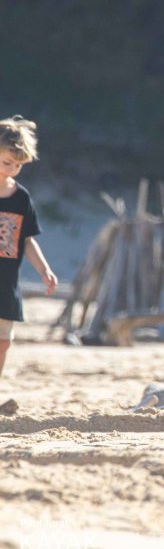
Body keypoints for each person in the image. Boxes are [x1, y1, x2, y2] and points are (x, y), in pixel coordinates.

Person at [0, 116, 58, 380]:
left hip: (6, 283)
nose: (12, 170)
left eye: (18, 165)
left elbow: (26, 240)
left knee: (4, 341)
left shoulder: (21, 198)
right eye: (6, 163)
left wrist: (44, 270)